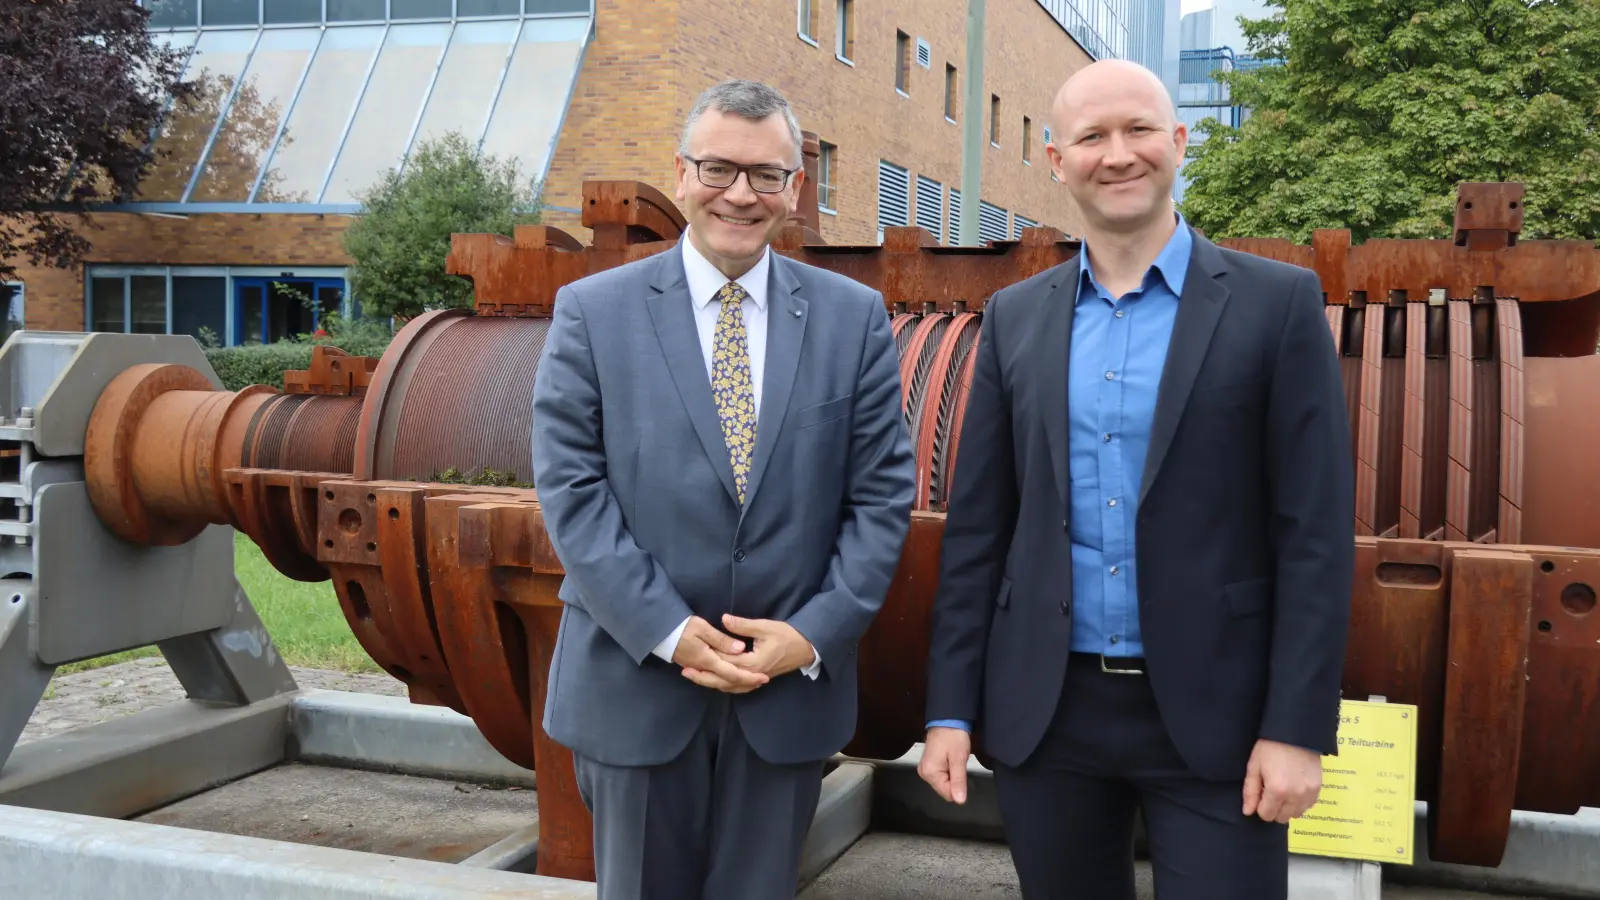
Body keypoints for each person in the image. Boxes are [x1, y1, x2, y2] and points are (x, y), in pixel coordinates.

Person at [917, 59, 1354, 899]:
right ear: (1056, 160)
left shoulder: (1277, 305)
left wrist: (1297, 728)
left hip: (1219, 716)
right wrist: (949, 711)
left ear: (1180, 142)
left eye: (1140, 130)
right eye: (1091, 137)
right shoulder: (1016, 316)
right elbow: (980, 533)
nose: (1118, 155)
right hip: (1048, 715)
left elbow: (1315, 536)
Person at [531, 79, 915, 900]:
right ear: (680, 174)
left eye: (766, 175)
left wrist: (812, 635)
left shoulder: (855, 320)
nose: (740, 194)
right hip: (635, 685)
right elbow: (571, 488)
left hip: (786, 699)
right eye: (718, 169)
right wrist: (667, 629)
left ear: (795, 190)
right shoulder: (592, 313)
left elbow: (882, 499)